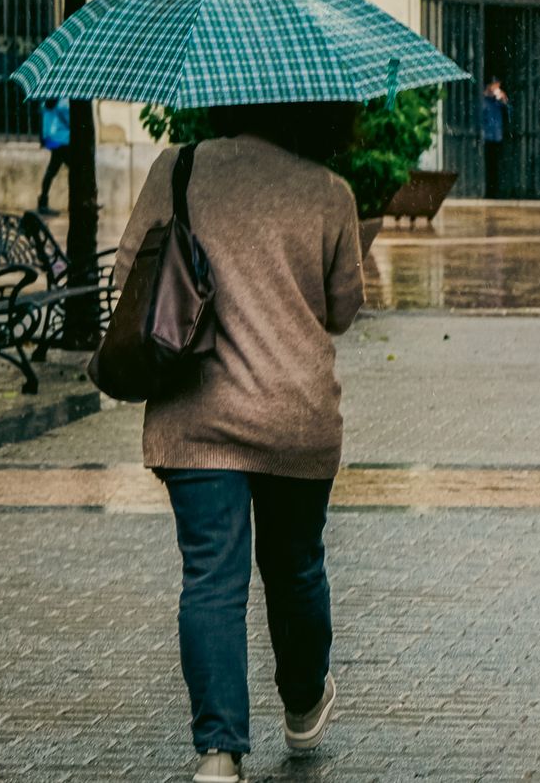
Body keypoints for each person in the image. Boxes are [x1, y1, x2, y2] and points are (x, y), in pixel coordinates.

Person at [110, 102, 366, 783]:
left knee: (212, 579)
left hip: (196, 419)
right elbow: (343, 310)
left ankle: (219, 753)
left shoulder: (179, 167)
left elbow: (126, 280)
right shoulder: (328, 190)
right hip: (295, 416)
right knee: (296, 569)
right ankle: (305, 703)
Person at [36, 98, 71, 216]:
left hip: (51, 139)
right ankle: (78, 201)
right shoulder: (63, 104)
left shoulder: (44, 103)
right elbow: (70, 122)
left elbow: (42, 121)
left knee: (52, 170)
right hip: (62, 140)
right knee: (76, 170)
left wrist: (43, 139)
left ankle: (42, 202)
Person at [481, 77, 512, 198]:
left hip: (497, 136)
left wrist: (505, 101)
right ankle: (487, 190)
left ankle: (497, 190)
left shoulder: (498, 101)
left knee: (497, 165)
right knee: (488, 165)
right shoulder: (484, 100)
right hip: (486, 137)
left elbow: (509, 114)